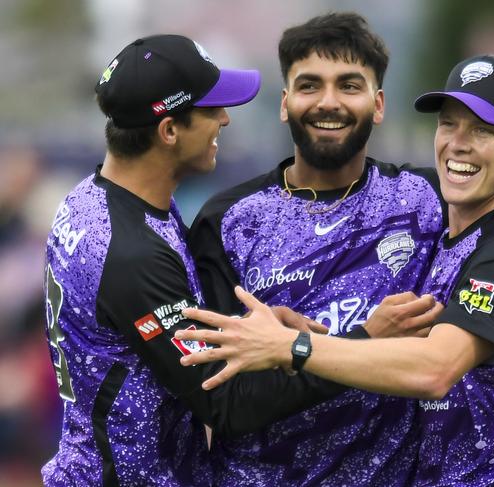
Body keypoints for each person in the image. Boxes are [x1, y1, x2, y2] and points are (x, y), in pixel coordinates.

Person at [186, 13, 494, 486]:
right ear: (285, 102)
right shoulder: (228, 219)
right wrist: (335, 344)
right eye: (310, 85)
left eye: (349, 85)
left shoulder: (421, 196)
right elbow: (219, 402)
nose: (329, 102)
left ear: (377, 105)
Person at [42, 33, 335, 486]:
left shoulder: (99, 197)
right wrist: (346, 351)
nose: (225, 119)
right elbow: (225, 403)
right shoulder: (131, 251)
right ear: (170, 131)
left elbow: (154, 328)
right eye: (211, 109)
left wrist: (246, 327)